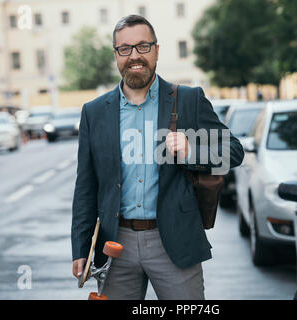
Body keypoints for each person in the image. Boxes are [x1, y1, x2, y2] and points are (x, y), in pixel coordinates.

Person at [71, 14, 244, 300]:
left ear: (157, 50)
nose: (134, 56)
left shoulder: (188, 99)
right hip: (115, 245)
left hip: (174, 241)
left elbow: (234, 151)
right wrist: (81, 248)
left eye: (143, 46)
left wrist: (191, 151)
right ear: (116, 54)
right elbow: (85, 187)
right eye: (124, 49)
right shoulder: (94, 111)